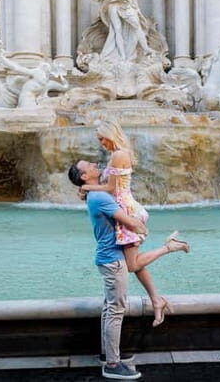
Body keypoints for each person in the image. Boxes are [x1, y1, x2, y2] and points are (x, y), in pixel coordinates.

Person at [78, 121, 190, 328]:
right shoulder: (117, 154)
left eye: (102, 138)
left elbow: (112, 189)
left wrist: (87, 186)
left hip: (128, 213)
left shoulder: (119, 155)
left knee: (132, 264)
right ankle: (157, 300)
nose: (101, 143)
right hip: (123, 211)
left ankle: (170, 246)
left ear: (111, 135)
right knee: (135, 262)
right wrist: (89, 188)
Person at [68, 159, 144, 380]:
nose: (94, 164)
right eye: (88, 165)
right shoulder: (100, 196)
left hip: (108, 258)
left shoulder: (94, 194)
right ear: (84, 176)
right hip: (113, 259)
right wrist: (141, 225)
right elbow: (129, 222)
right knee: (116, 309)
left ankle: (109, 353)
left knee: (110, 307)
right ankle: (112, 363)